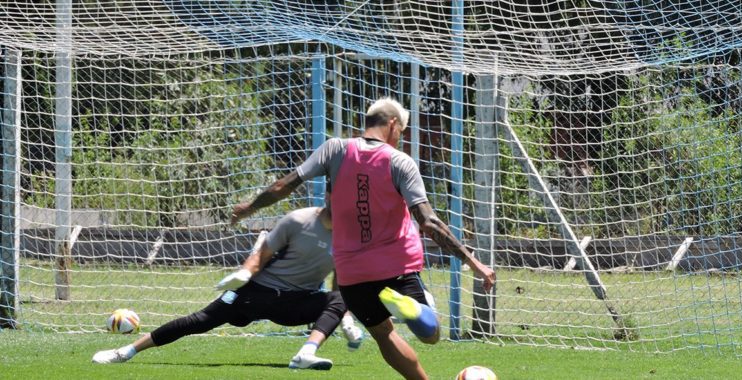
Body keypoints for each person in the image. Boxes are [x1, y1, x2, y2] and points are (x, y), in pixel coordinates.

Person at [231, 97, 496, 380]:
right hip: (395, 264)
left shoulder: (334, 149)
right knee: (431, 335)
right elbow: (428, 221)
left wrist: (250, 207)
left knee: (384, 334)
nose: (400, 138)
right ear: (393, 124)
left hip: (352, 272)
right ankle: (413, 308)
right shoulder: (400, 161)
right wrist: (473, 261)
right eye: (402, 132)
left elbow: (284, 184)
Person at [92, 200, 364, 371]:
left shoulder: (351, 238)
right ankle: (125, 352)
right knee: (199, 321)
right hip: (254, 294)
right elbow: (261, 251)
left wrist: (346, 319)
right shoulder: (299, 220)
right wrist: (243, 275)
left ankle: (306, 353)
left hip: (292, 305)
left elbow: (340, 281)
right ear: (330, 197)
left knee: (343, 297)